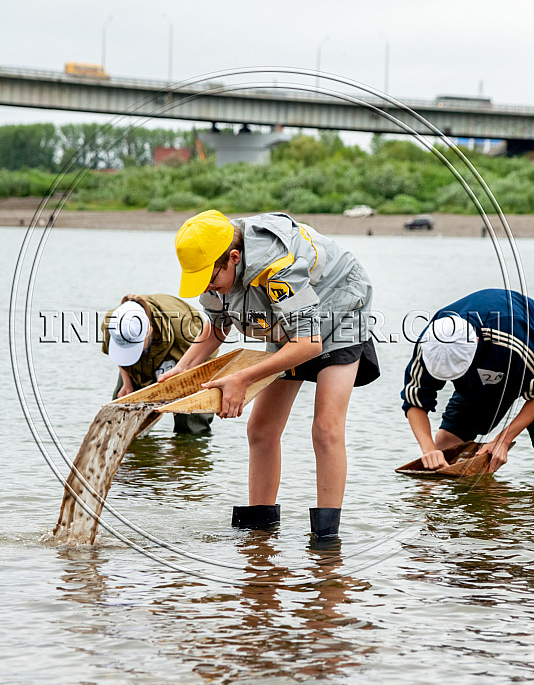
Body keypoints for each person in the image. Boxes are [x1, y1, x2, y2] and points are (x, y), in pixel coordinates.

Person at [158, 210, 380, 538]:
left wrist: (243, 378)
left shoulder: (277, 267)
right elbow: (217, 325)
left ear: (234, 258)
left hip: (341, 306)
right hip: (290, 320)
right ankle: (259, 535)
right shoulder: (217, 268)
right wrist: (182, 368)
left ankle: (326, 540)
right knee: (260, 429)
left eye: (211, 279)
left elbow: (307, 344)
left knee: (326, 428)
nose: (209, 287)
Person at [401, 288, 534, 474]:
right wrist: (429, 450)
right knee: (445, 447)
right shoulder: (430, 342)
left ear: (477, 343)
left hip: (516, 352)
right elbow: (414, 401)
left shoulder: (513, 342)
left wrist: (502, 440)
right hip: (481, 376)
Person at [101, 293, 215, 435]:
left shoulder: (184, 327)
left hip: (183, 360)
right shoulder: (111, 322)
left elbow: (207, 354)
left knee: (192, 424)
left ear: (149, 331)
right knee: (120, 415)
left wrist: (180, 390)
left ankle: (188, 451)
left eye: (133, 347)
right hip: (136, 367)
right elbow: (118, 357)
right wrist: (127, 382)